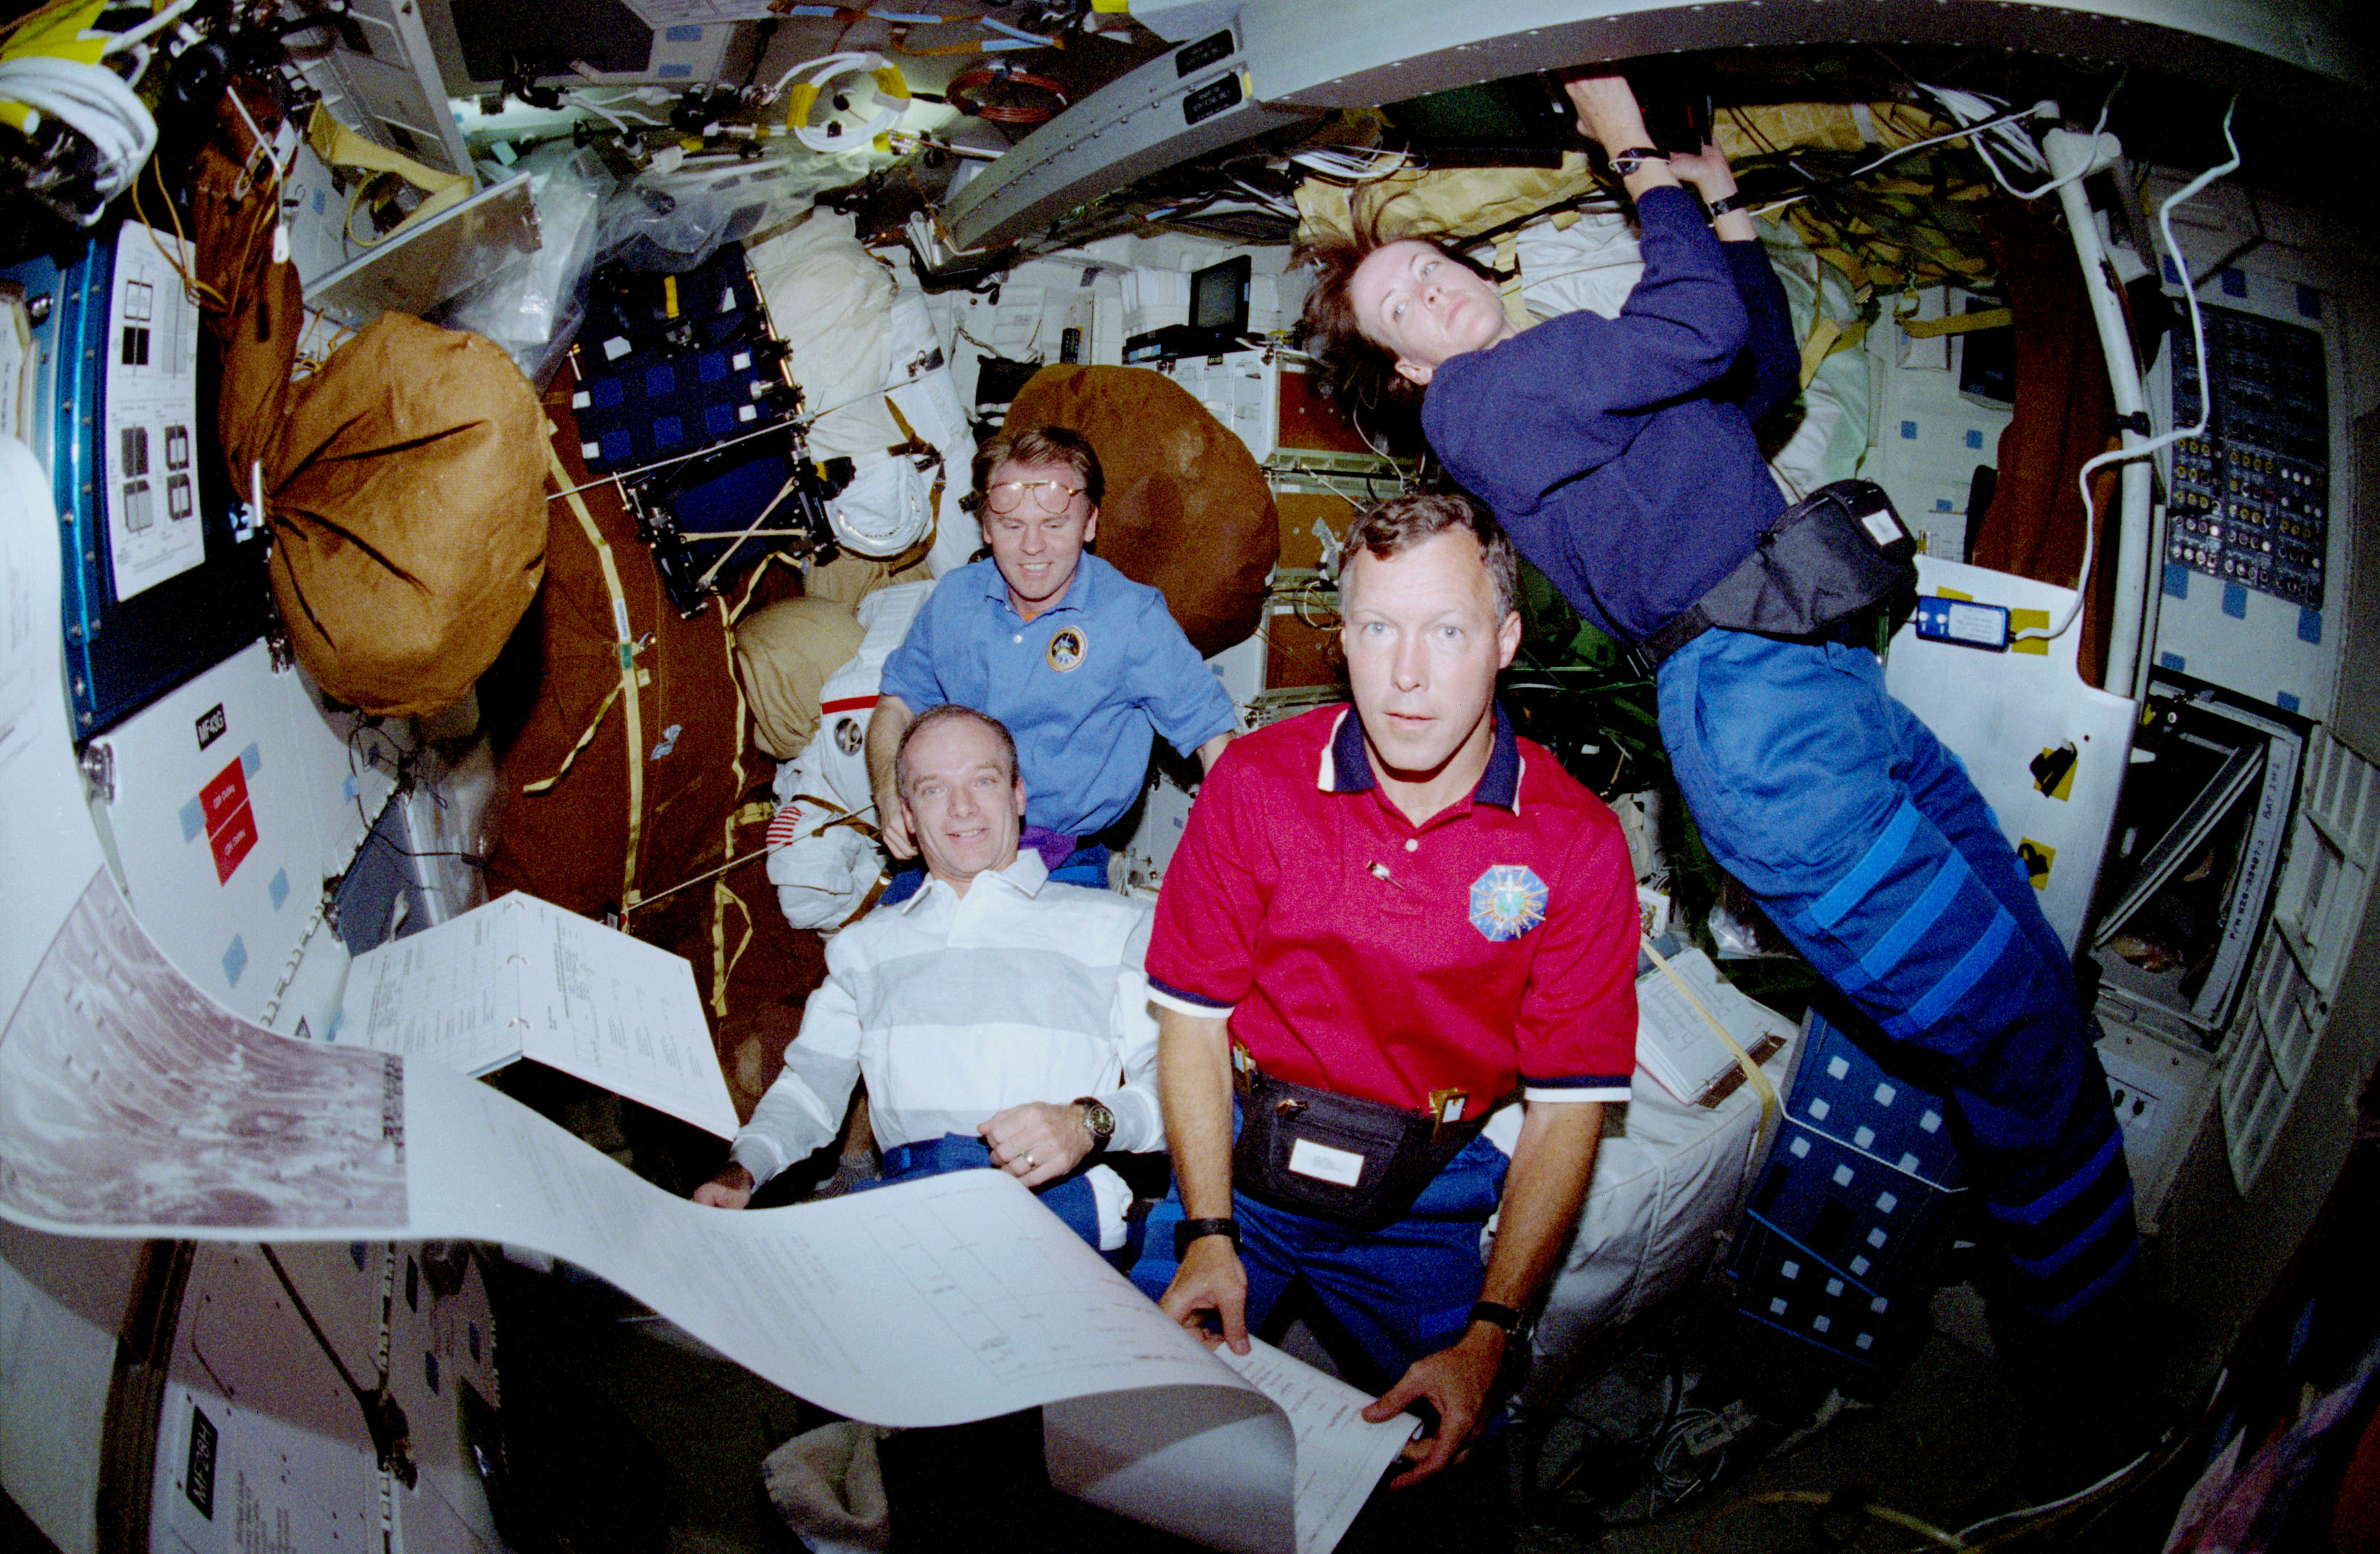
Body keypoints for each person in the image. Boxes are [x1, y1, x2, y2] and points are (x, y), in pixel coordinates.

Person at [1298, 74, 2137, 1330]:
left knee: (2027, 972)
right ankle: (2095, 1330)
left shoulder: (1563, 386)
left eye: (1428, 264)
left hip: (1821, 679)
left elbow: (1745, 376)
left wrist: (1725, 204)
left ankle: (2070, 1279)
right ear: (1410, 368)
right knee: (2011, 1029)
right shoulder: (1486, 398)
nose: (1432, 290)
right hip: (1760, 716)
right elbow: (1684, 334)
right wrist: (1633, 152)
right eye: (1401, 306)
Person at [1132, 494, 1639, 1489]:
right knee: (1125, 1406)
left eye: (1446, 631)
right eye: (1377, 629)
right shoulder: (1254, 784)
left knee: (1456, 1463)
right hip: (1242, 1169)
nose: (1407, 675)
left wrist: (1491, 1333)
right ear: (1343, 640)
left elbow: (1568, 1111)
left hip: (1430, 1199)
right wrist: (1204, 1232)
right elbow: (1191, 1025)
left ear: (1504, 639)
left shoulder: (1576, 844)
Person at [694, 704, 1162, 1259]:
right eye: (933, 789)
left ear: (1018, 794)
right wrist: (742, 1167)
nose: (962, 808)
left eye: (983, 780)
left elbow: (1178, 1093)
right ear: (908, 817)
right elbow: (809, 1090)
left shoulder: (1117, 925)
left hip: (1064, 1225)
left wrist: (1088, 1121)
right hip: (905, 1226)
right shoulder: (863, 947)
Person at [867, 425, 1237, 892]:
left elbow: (1216, 741)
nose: (1032, 548)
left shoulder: (1131, 618)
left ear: (1089, 524)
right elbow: (896, 706)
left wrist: (1228, 865)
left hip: (1063, 859)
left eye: (1055, 525)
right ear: (985, 525)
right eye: (1012, 525)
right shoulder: (954, 600)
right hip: (948, 844)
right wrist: (887, 796)